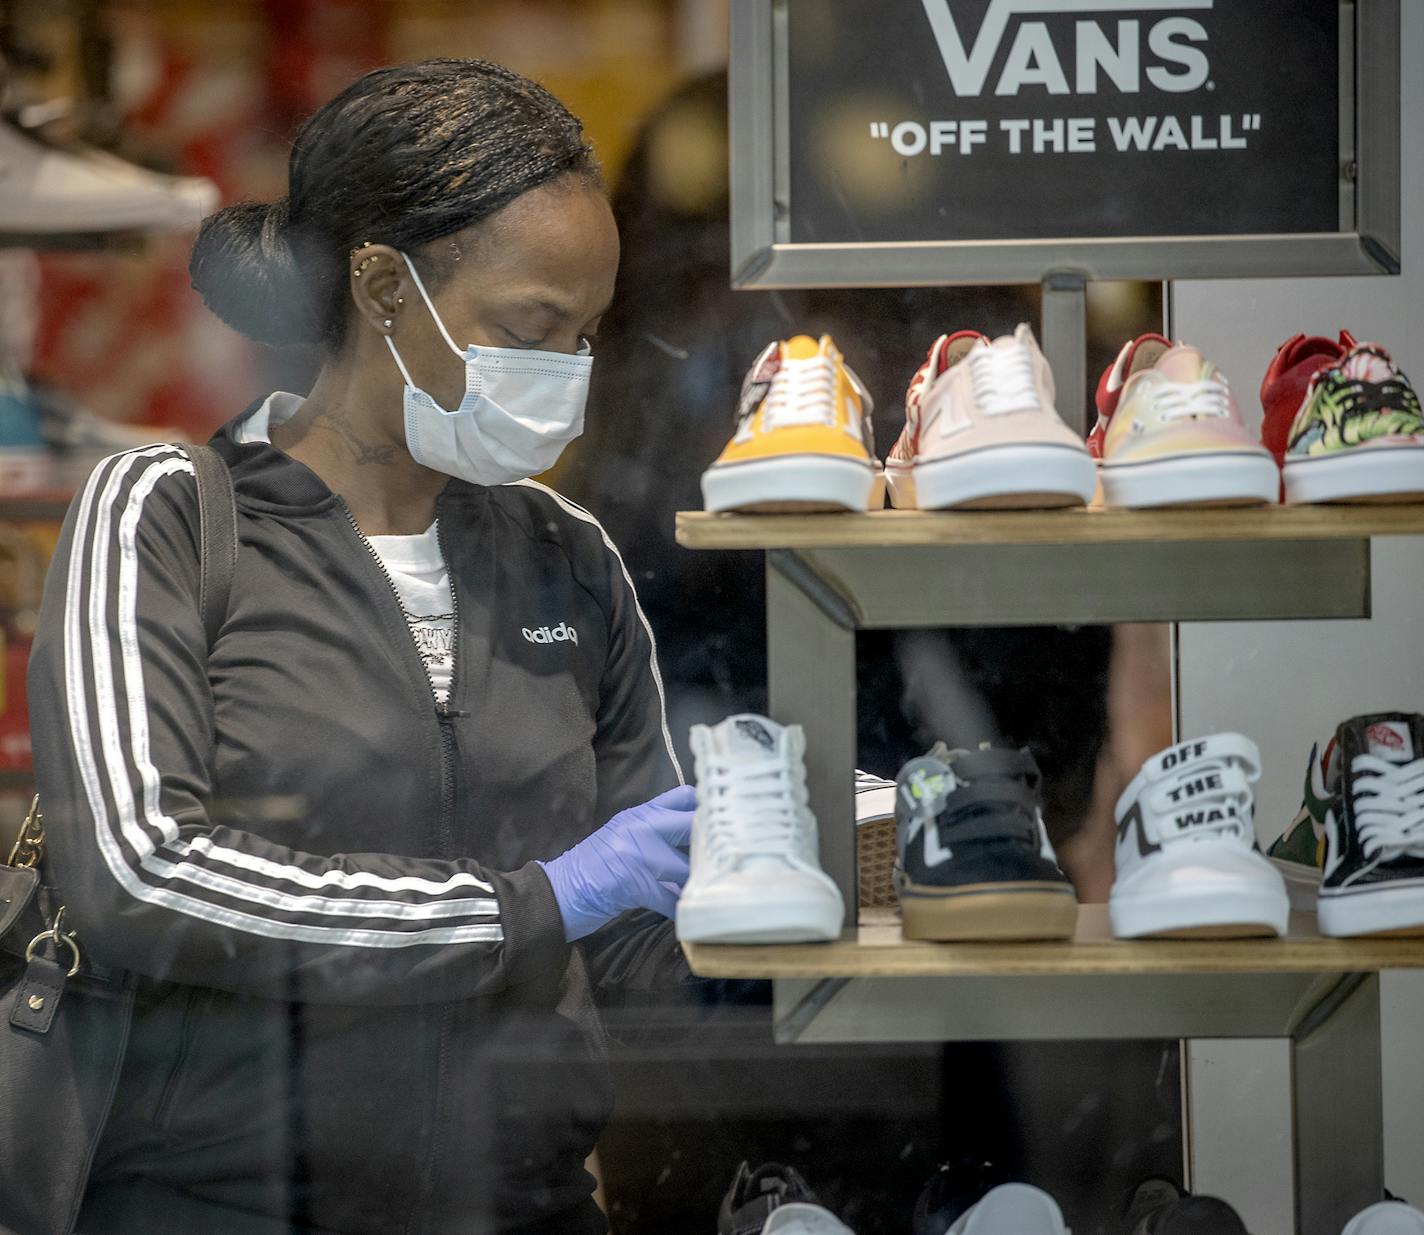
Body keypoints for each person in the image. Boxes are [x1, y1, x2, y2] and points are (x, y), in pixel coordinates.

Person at [27, 58, 695, 1235]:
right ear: (384, 287)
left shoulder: (566, 553)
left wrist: (785, 892)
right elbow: (141, 872)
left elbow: (635, 939)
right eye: (530, 329)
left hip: (521, 1207)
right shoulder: (168, 516)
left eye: (586, 335)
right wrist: (525, 906)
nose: (565, 376)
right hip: (220, 1206)